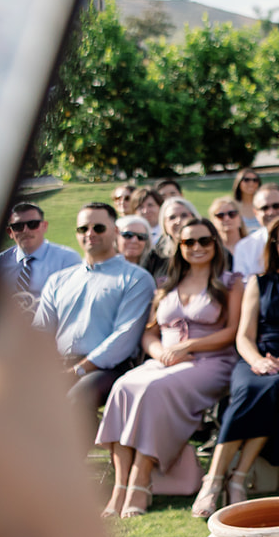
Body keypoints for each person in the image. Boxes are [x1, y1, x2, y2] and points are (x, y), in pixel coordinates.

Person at [95, 218, 242, 517]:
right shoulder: (166, 284)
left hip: (212, 361)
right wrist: (161, 352)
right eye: (189, 242)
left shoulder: (231, 282)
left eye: (204, 241)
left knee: (153, 389)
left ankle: (141, 479)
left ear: (215, 244)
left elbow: (232, 331)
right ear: (179, 247)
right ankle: (120, 487)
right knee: (124, 385)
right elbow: (149, 333)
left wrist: (188, 347)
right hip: (164, 359)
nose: (197, 247)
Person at [193, 215, 279, 517]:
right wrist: (257, 361)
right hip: (257, 358)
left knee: (271, 390)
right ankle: (220, 481)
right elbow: (244, 336)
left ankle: (230, 479)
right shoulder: (260, 282)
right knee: (252, 387)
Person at [31, 203, 155, 436]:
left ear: (115, 232)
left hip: (108, 368)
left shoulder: (135, 278)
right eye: (83, 229)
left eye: (98, 227)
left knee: (77, 397)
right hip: (59, 364)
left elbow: (124, 337)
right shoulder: (58, 280)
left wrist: (77, 371)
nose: (90, 234)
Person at [3, 201, 79, 303]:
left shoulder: (67, 259)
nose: (25, 230)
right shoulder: (2, 262)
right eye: (18, 226)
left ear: (44, 226)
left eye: (32, 224)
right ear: (10, 232)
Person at [231, 183, 279, 277]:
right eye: (264, 208)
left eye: (276, 206)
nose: (271, 212)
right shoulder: (244, 248)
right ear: (255, 213)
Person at [143, 197, 199, 285]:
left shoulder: (209, 250)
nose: (178, 221)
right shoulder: (155, 255)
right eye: (172, 217)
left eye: (184, 215)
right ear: (164, 224)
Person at [208, 196, 247, 262]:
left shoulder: (252, 245)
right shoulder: (210, 249)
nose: (227, 218)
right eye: (220, 215)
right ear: (213, 221)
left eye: (232, 214)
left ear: (240, 218)